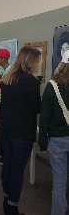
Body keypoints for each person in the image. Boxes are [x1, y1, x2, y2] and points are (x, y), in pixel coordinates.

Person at [0, 46, 41, 215]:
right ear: (30, 61)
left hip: (5, 129)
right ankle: (12, 208)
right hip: (22, 132)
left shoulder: (7, 78)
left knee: (7, 165)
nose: (38, 63)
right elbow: (35, 108)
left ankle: (7, 201)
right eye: (37, 60)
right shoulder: (31, 81)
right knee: (17, 169)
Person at [38, 49, 69, 215]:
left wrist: (43, 142)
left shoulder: (52, 86)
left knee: (59, 181)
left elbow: (44, 118)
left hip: (57, 140)